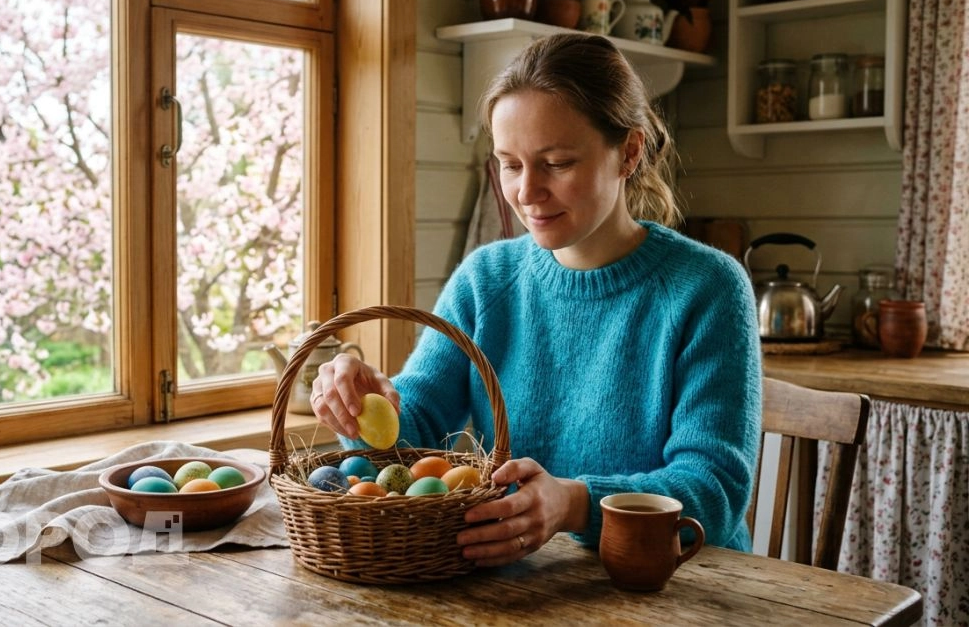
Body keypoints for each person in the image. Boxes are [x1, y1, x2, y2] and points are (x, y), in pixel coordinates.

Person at [310, 32, 762, 567]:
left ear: (630, 153)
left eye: (557, 162)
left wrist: (573, 504)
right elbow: (422, 418)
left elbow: (714, 486)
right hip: (526, 581)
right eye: (510, 163)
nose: (526, 191)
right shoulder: (487, 279)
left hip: (675, 581)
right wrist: (363, 404)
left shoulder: (707, 289)